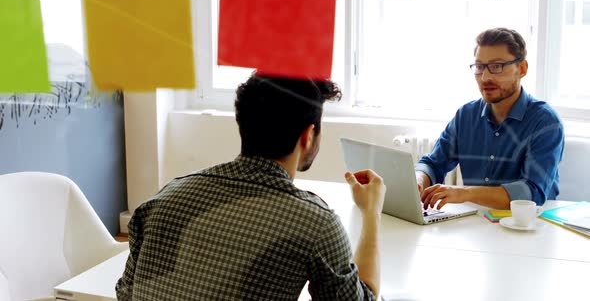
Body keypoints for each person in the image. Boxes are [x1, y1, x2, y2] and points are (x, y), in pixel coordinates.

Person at [116, 74, 386, 300]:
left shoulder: (162, 200)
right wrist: (371, 213)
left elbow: (125, 292)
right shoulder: (316, 223)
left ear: (242, 124)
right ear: (307, 135)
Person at [417, 27, 564, 210]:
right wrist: (418, 180)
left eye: (497, 66)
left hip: (532, 226)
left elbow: (532, 192)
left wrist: (465, 193)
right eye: (479, 67)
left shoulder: (545, 122)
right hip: (478, 225)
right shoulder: (466, 116)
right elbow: (433, 163)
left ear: (522, 69)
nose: (485, 77)